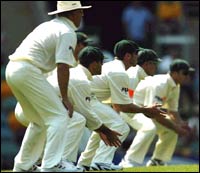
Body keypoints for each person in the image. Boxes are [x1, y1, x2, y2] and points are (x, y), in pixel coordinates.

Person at [5, 1, 93, 172]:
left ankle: (23, 166)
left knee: (39, 121)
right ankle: (52, 165)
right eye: (80, 11)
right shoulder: (67, 32)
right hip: (28, 71)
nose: (82, 15)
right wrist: (65, 98)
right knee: (59, 117)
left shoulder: (48, 25)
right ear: (73, 13)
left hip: (13, 69)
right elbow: (62, 66)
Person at [77, 40, 168, 170]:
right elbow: (121, 106)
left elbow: (119, 104)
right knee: (121, 126)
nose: (138, 56)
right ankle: (100, 161)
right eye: (136, 53)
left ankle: (85, 162)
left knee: (106, 127)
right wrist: (146, 110)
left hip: (88, 97)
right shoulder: (124, 73)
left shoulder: (122, 70)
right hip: (85, 97)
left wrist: (144, 110)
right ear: (128, 56)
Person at [120, 59, 194, 168]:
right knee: (149, 128)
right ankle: (129, 161)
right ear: (174, 73)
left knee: (171, 129)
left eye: (189, 74)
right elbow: (153, 114)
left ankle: (158, 160)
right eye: (185, 73)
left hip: (147, 112)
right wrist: (176, 127)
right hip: (132, 110)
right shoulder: (160, 84)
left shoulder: (175, 86)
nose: (187, 76)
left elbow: (172, 110)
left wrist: (180, 124)